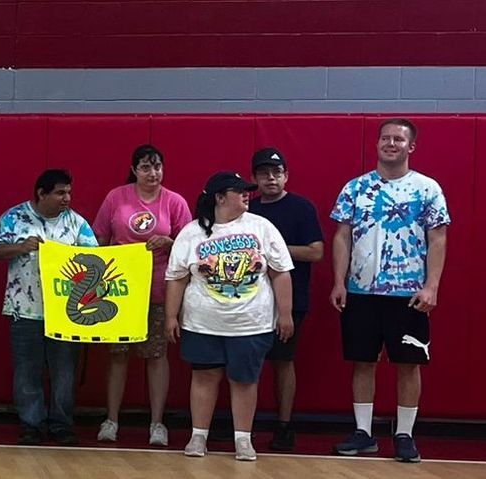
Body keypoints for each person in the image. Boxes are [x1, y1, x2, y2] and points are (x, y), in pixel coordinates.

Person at [330, 119, 448, 463]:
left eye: (398, 139)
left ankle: (404, 434)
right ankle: (363, 432)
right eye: (385, 138)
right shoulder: (355, 188)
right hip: (361, 291)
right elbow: (342, 236)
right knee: (363, 361)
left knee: (408, 364)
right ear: (377, 144)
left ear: (411, 146)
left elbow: (438, 238)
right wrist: (339, 281)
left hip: (408, 293)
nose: (391, 143)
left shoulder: (427, 189)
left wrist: (431, 286)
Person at [167, 171, 294, 462]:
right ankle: (198, 435)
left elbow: (280, 272)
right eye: (239, 191)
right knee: (204, 376)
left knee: (244, 380)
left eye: (246, 190)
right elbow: (176, 277)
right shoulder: (192, 232)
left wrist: (285, 313)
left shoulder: (262, 227)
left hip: (251, 323)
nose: (247, 194)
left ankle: (243, 439)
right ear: (220, 198)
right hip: (203, 323)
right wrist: (171, 316)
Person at [91, 144, 190, 446]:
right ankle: (111, 420)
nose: (152, 173)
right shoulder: (116, 197)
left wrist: (170, 242)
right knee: (118, 354)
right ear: (134, 170)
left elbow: (191, 245)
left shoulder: (174, 201)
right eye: (146, 167)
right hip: (120, 290)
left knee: (156, 355)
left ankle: (157, 423)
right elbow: (98, 239)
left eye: (157, 166)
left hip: (159, 289)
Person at [0, 169, 97, 446]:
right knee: (27, 370)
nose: (67, 198)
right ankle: (31, 424)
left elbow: (95, 259)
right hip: (24, 308)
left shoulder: (76, 223)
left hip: (67, 311)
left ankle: (62, 424)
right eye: (60, 192)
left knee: (64, 371)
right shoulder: (14, 217)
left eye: (69, 192)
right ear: (41, 193)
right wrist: (20, 247)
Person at [246, 147, 324, 451]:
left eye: (277, 172)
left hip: (290, 301)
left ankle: (284, 425)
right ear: (254, 178)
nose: (271, 178)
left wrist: (273, 250)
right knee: (247, 363)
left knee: (283, 361)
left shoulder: (301, 208)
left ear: (286, 176)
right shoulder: (247, 209)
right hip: (248, 299)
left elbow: (315, 252)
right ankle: (244, 426)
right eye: (264, 173)